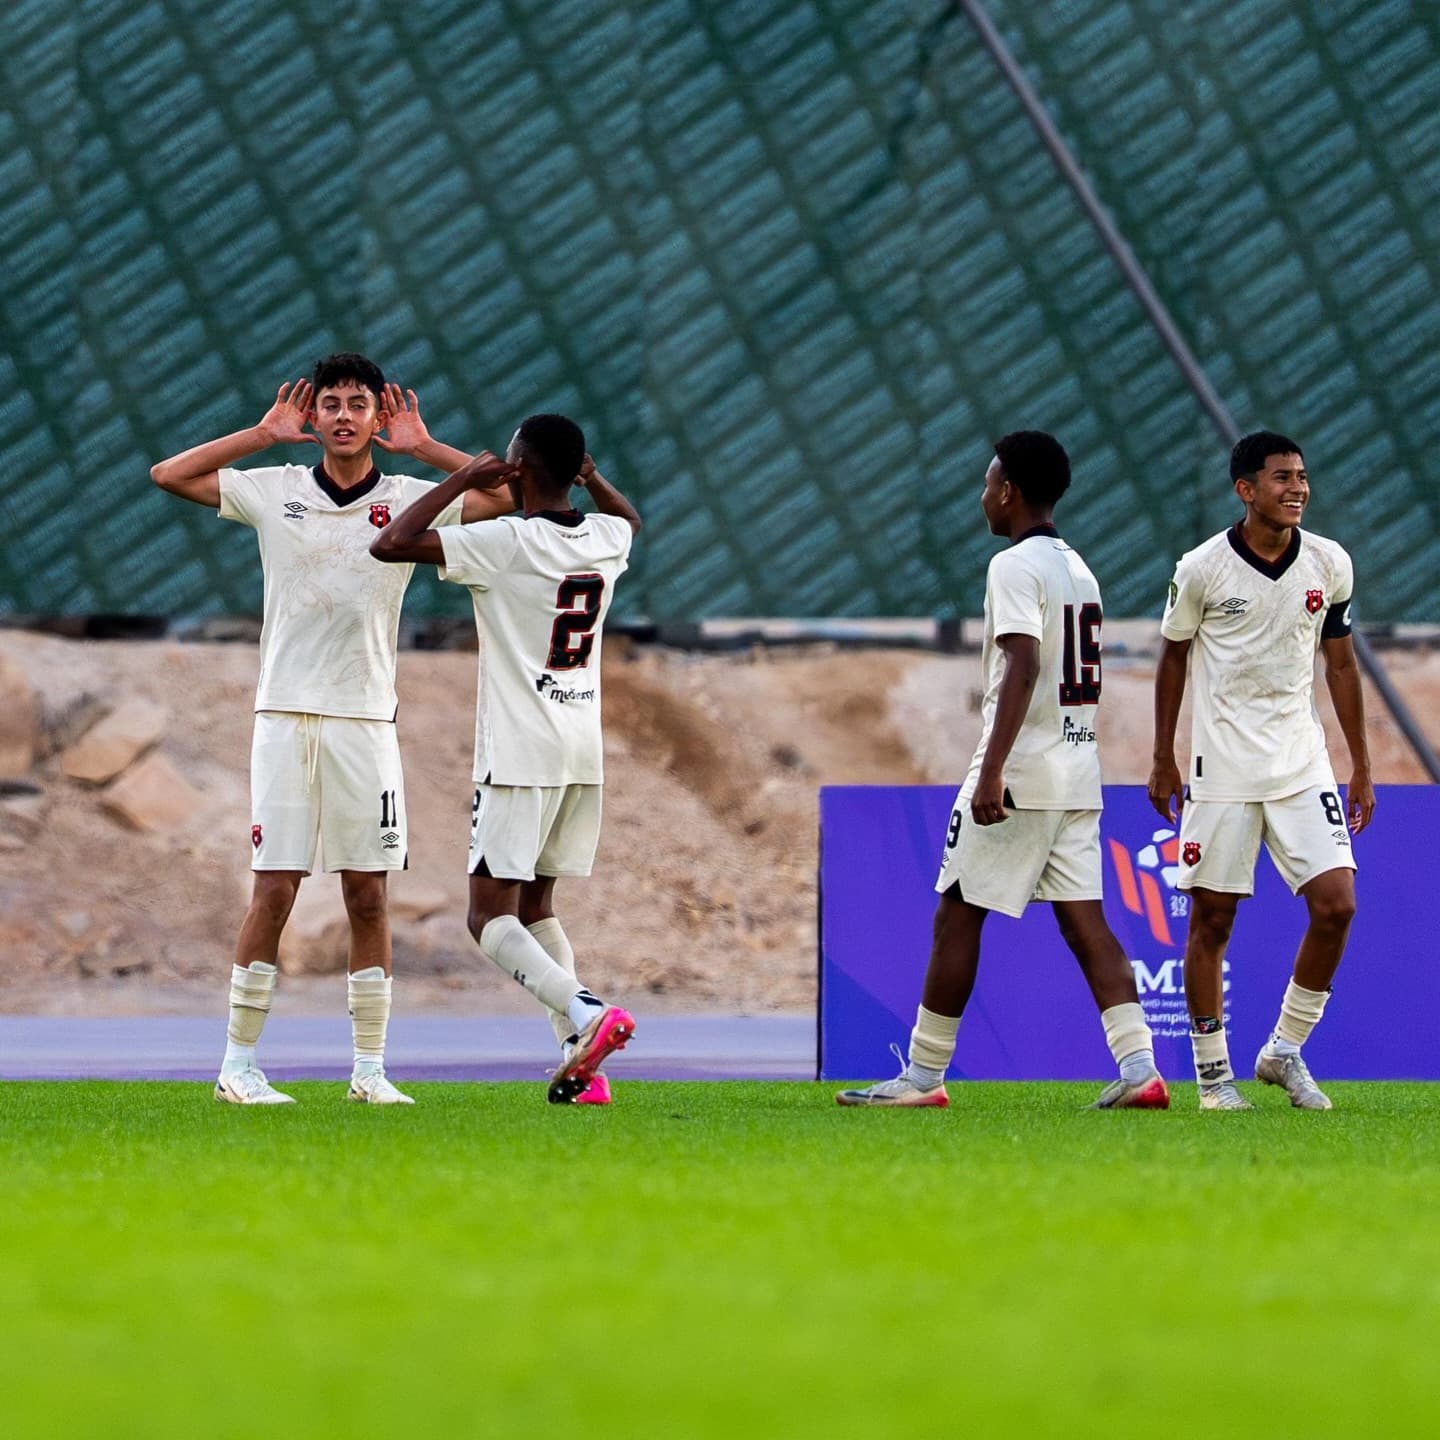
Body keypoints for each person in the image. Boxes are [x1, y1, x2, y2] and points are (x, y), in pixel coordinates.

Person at [150, 353, 513, 1105]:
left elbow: (503, 498)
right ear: (311, 418)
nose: (344, 417)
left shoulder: (414, 497)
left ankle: (370, 1070)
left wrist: (428, 448)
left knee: (368, 897)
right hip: (284, 714)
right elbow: (169, 475)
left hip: (366, 718)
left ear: (379, 419)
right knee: (275, 889)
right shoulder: (274, 490)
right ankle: (238, 1066)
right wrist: (259, 435)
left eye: (358, 405)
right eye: (331, 405)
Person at [838, 432, 1169, 1110]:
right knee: (1086, 923)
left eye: (990, 484)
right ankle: (1141, 1070)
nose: (984, 497)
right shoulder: (1080, 569)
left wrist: (991, 772)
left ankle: (923, 1077)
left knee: (957, 914)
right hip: (1078, 770)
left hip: (1023, 772)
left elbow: (1022, 664)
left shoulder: (1014, 567)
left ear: (1010, 491)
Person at [371, 414, 639, 1104]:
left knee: (488, 918)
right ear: (578, 468)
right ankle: (582, 1066)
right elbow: (629, 517)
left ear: (515, 469)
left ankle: (588, 1014)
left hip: (520, 750)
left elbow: (391, 543)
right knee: (537, 904)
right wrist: (595, 479)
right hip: (581, 749)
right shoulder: (607, 537)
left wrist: (458, 476)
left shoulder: (505, 543)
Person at [1149, 431, 1374, 1111]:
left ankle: (1283, 1051)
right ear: (1246, 490)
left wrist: (1359, 764)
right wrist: (1162, 755)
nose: (1298, 489)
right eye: (1281, 478)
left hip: (1302, 763)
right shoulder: (1202, 569)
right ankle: (1214, 1077)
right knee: (1211, 923)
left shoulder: (1330, 564)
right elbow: (1172, 658)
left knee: (1337, 905)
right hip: (1221, 768)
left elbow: (1338, 662)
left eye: (1302, 477)